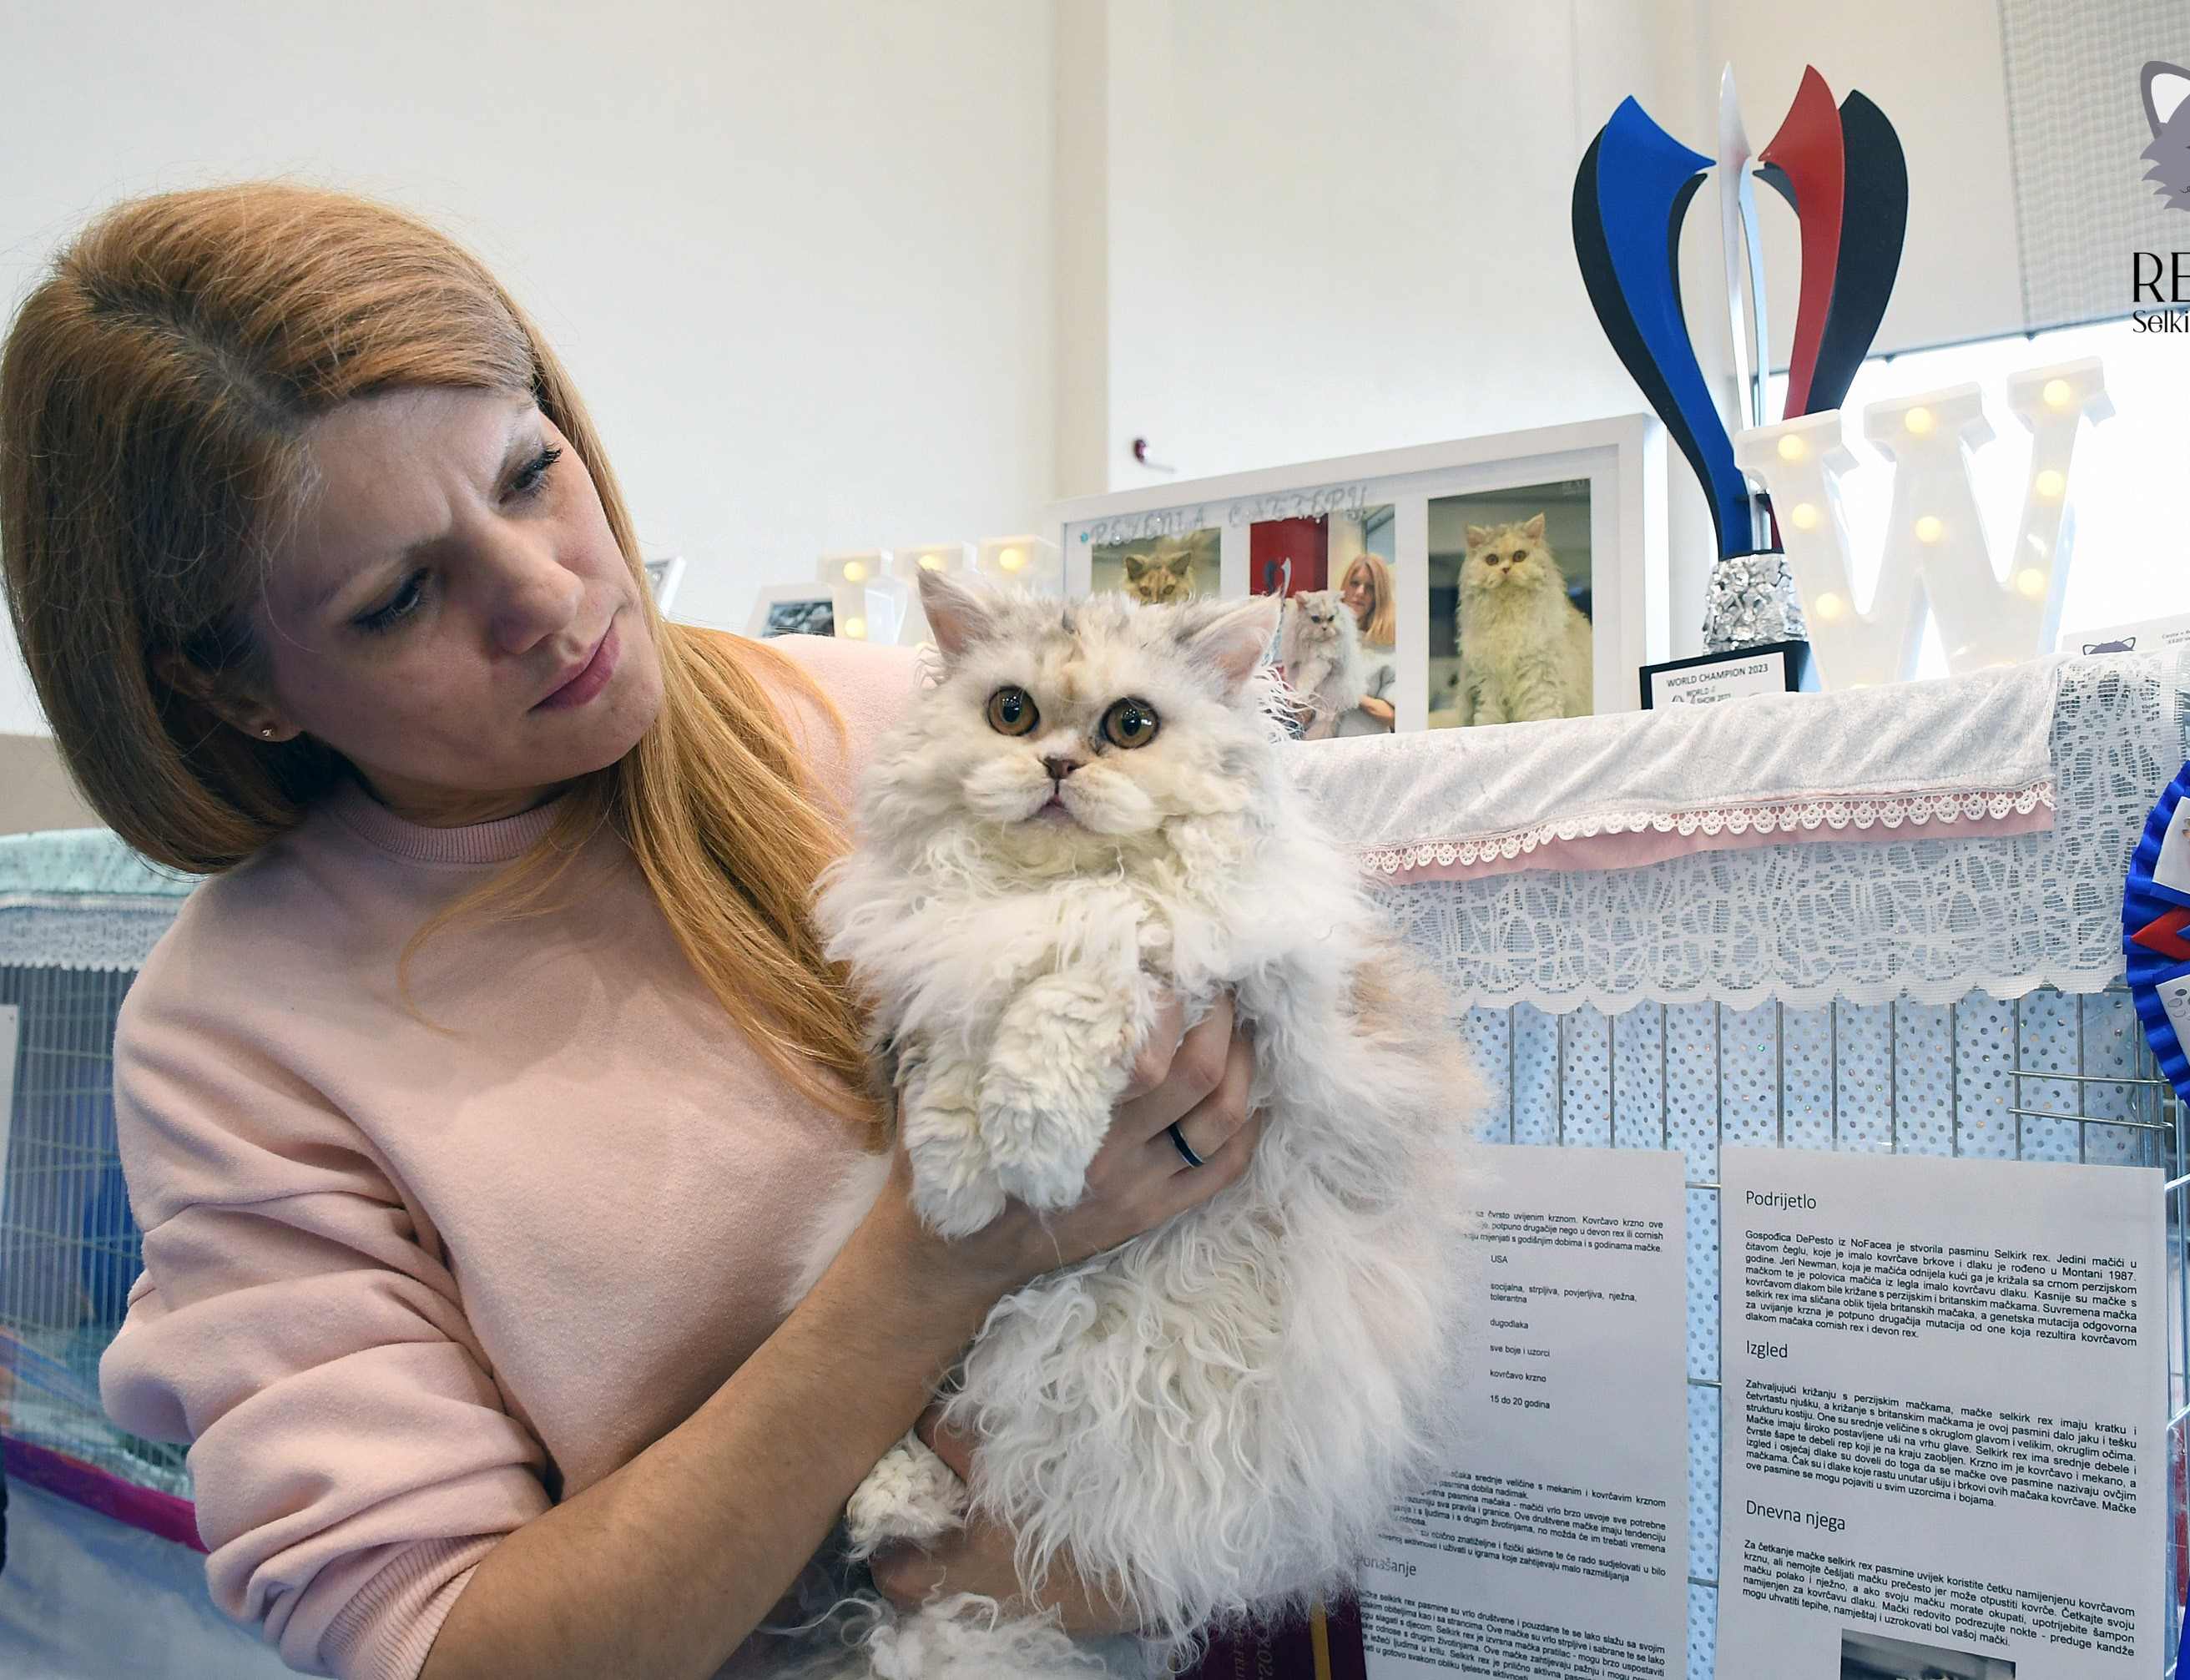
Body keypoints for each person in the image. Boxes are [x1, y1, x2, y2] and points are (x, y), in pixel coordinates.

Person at [0, 181, 1261, 1680]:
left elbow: (1283, 1176)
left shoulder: (908, 729)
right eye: (401, 596)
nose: (548, 596)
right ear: (233, 688)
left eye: (530, 473)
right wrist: (938, 1263)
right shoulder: (236, 1033)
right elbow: (446, 1644)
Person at [1333, 552, 1397, 736]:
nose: (1360, 592)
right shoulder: (1327, 638)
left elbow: (1393, 716)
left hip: (1369, 747)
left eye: (1370, 587)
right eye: (1355, 583)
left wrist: (1352, 694)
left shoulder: (1388, 648)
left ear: (1379, 596)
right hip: (1322, 747)